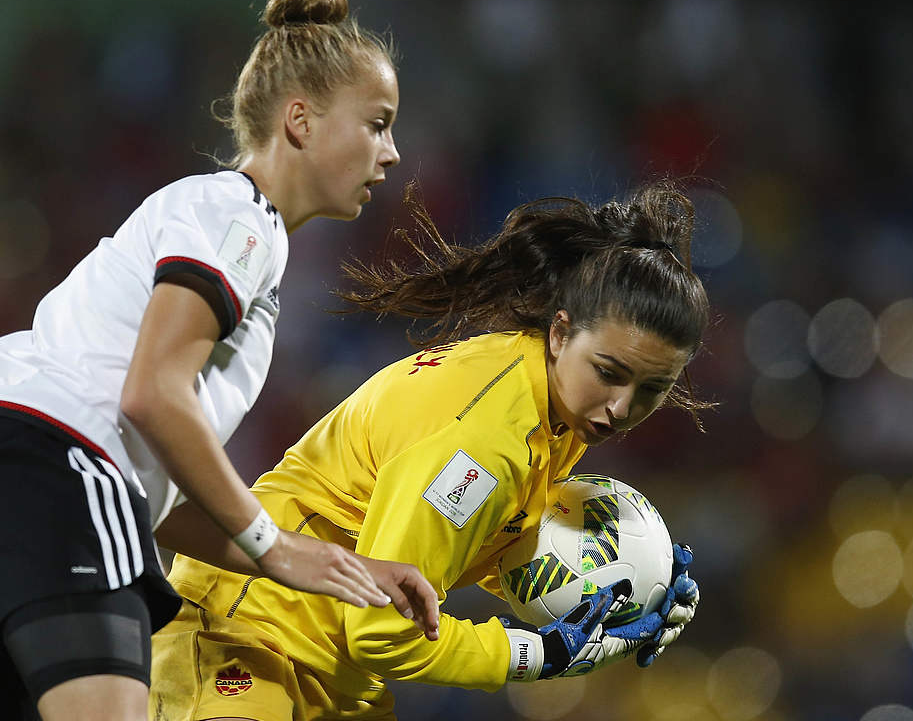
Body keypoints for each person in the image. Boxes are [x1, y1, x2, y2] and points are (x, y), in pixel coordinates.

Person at [0, 0, 438, 721]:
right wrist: (275, 547)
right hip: (51, 472)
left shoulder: (211, 219)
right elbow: (153, 396)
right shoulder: (241, 218)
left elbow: (152, 495)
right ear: (300, 120)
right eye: (377, 123)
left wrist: (315, 562)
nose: (391, 153)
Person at [149, 184, 709, 721]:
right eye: (609, 373)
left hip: (339, 663)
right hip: (248, 622)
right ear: (560, 333)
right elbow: (383, 636)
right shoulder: (486, 442)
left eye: (652, 389)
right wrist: (540, 654)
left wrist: (623, 590)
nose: (621, 407)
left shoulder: (552, 404)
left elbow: (467, 540)